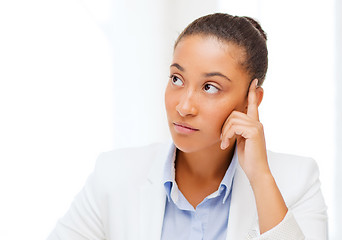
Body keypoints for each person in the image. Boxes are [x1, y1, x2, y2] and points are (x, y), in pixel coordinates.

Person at [47, 13, 327, 240]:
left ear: (250, 100)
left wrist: (260, 178)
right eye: (177, 79)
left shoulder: (297, 181)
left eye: (210, 87)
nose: (184, 107)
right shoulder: (114, 175)